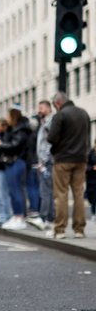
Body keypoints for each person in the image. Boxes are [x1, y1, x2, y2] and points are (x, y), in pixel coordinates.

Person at [47, 92, 92, 239]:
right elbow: (88, 137)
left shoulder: (60, 115)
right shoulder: (84, 113)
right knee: (79, 194)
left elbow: (51, 138)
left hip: (63, 159)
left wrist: (55, 150)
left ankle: (60, 229)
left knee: (61, 194)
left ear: (58, 103)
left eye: (54, 106)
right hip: (80, 159)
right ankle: (79, 229)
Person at [0, 105, 31, 230]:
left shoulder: (21, 130)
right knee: (12, 190)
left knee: (17, 190)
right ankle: (16, 215)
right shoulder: (13, 129)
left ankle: (20, 216)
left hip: (17, 161)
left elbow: (15, 145)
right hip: (12, 161)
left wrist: (1, 144)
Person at [27, 100, 55, 230]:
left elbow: (49, 143)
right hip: (44, 161)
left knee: (46, 191)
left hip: (47, 161)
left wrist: (43, 160)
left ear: (49, 108)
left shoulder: (50, 123)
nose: (39, 111)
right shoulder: (43, 123)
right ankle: (48, 218)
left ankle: (46, 218)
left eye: (42, 108)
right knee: (46, 190)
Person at [86, 139, 96, 222]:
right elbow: (86, 166)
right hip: (91, 180)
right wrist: (92, 168)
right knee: (91, 198)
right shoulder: (90, 153)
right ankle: (93, 213)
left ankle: (94, 213)